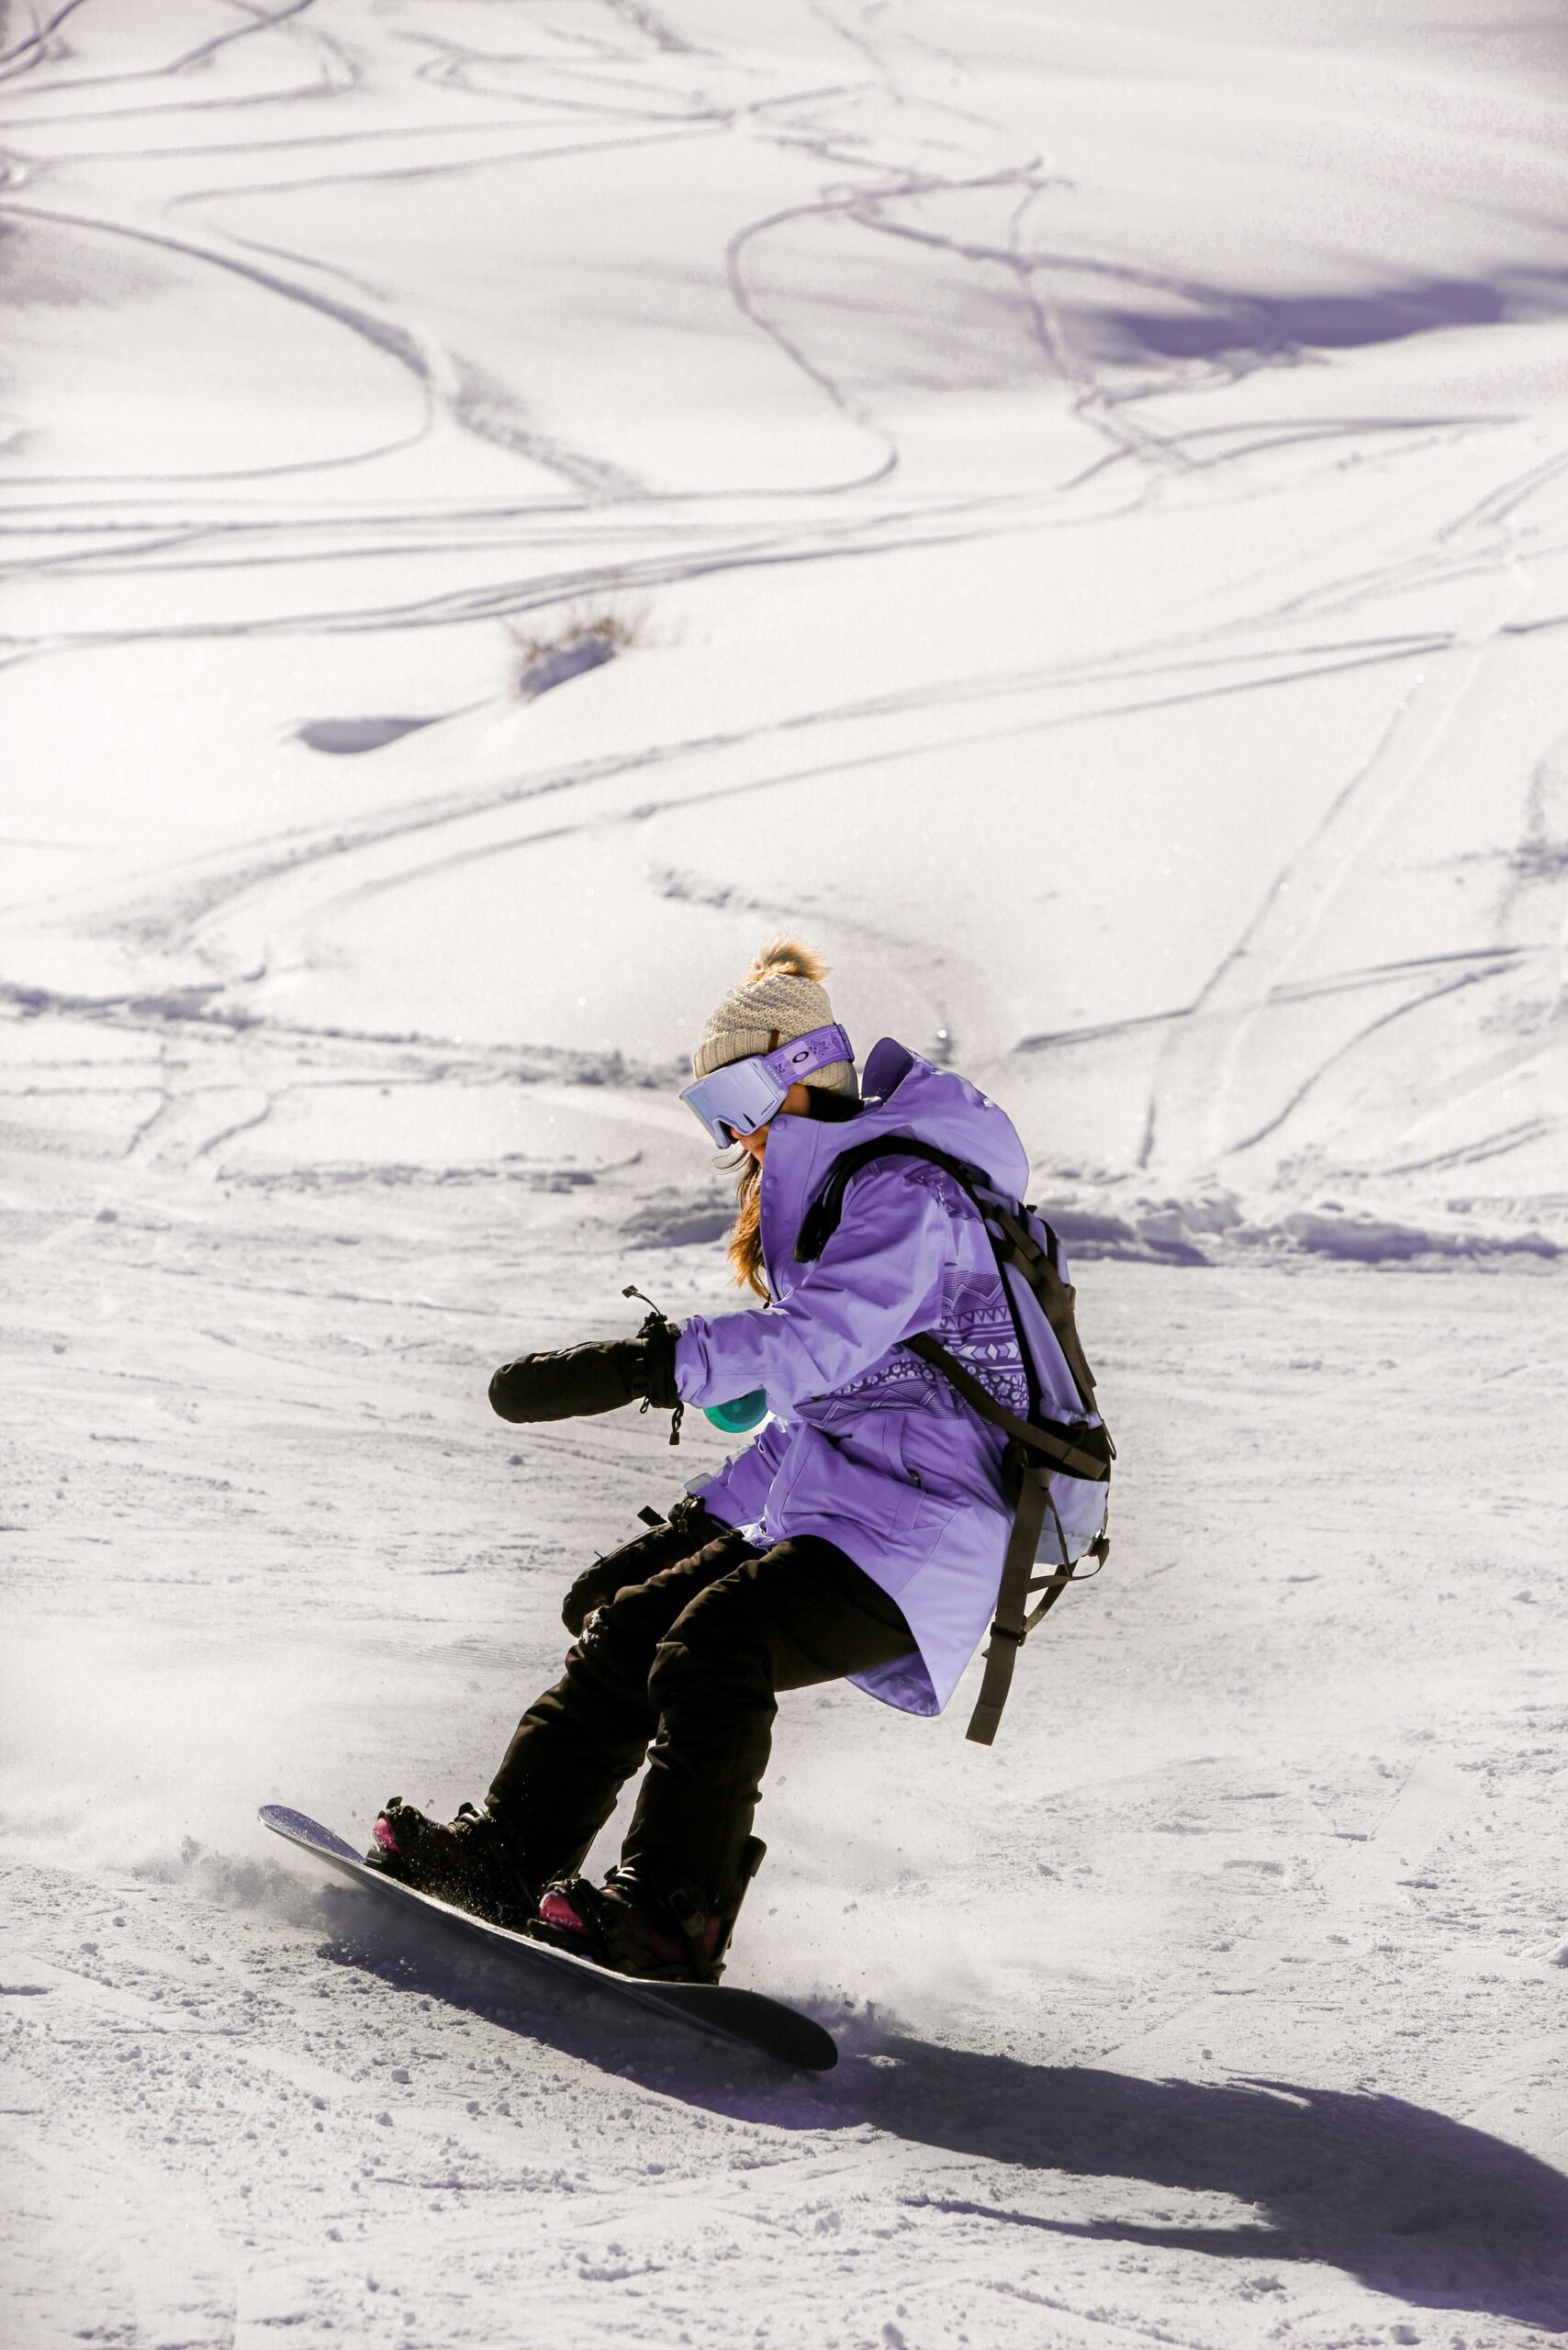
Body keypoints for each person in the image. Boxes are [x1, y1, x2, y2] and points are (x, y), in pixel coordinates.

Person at [366, 937, 1054, 1983]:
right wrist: (698, 1525)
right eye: (712, 1114)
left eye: (738, 1100)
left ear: (803, 1069)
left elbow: (809, 1350)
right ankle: (507, 1856)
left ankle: (671, 1912)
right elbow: (817, 1408)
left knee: (714, 1645)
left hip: (936, 1526)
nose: (735, 1136)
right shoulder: (839, 1204)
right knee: (632, 1630)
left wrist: (659, 1362)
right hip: (852, 1507)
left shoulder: (909, 1197)